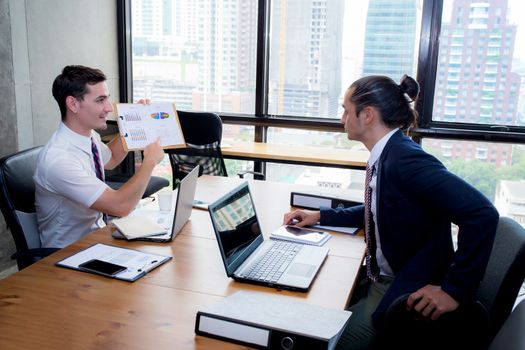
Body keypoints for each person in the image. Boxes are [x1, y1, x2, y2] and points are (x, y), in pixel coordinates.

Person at [283, 75, 499, 349]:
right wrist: (321, 216)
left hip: (400, 284)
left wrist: (454, 290)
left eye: (346, 111)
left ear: (368, 115)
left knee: (320, 341)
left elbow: (482, 213)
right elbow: (379, 209)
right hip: (384, 275)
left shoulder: (405, 160)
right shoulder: (389, 153)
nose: (342, 119)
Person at [34, 65, 165, 248]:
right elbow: (121, 207)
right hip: (68, 254)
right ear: (73, 104)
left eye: (107, 99)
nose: (109, 108)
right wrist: (149, 162)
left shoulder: (88, 136)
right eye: (100, 100)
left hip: (97, 238)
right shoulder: (59, 160)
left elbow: (110, 159)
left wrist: (136, 122)